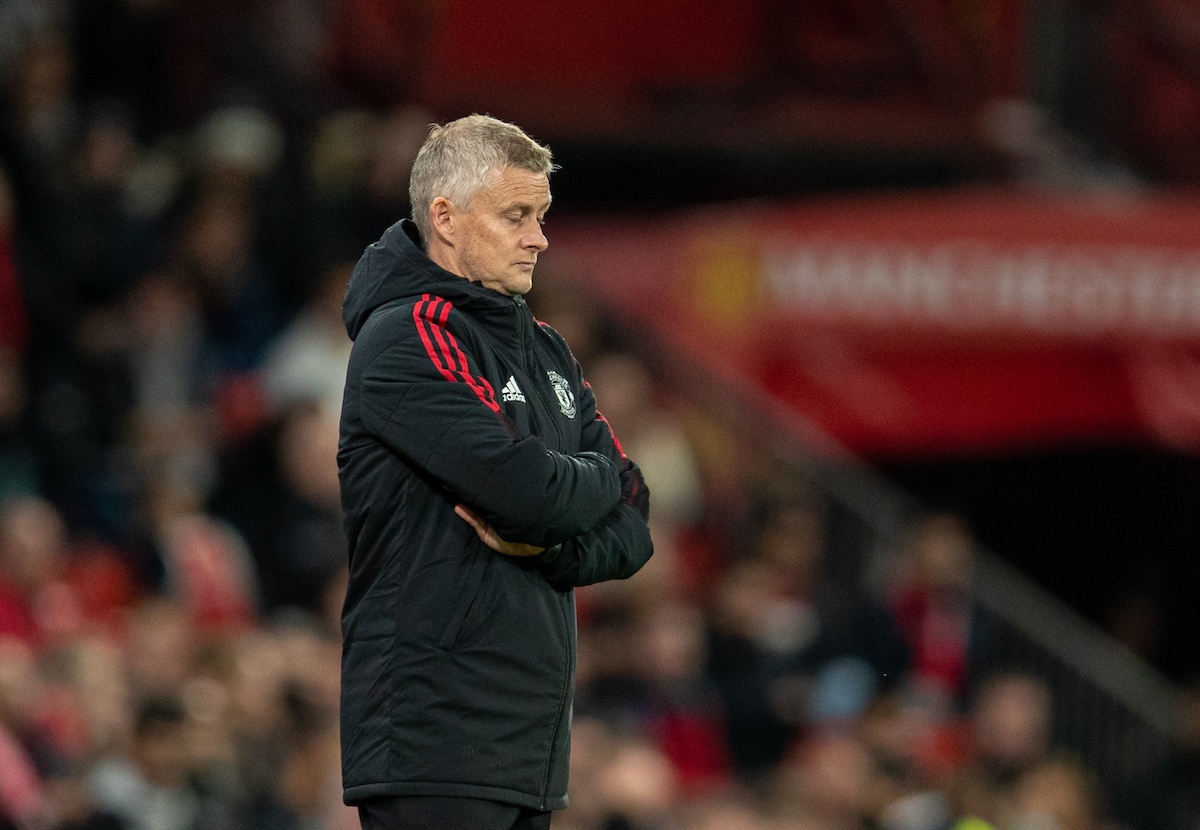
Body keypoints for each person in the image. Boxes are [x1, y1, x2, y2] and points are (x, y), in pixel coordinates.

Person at [336, 114, 654, 830]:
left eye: (541, 216)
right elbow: (527, 488)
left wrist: (552, 543)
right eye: (516, 215)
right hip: (437, 740)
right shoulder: (406, 335)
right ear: (444, 217)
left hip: (526, 749)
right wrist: (584, 486)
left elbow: (636, 519)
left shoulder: (546, 348)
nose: (539, 237)